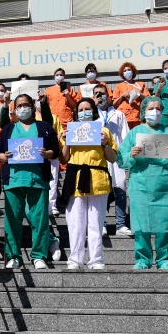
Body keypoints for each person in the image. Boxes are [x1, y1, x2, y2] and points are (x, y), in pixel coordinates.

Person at [117, 97, 168, 269]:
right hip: (140, 184)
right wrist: (131, 155)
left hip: (164, 185)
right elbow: (121, 160)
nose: (154, 112)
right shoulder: (135, 133)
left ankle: (164, 258)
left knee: (164, 224)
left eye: (158, 108)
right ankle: (142, 258)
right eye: (150, 108)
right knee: (141, 224)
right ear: (143, 111)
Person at [0, 94, 60, 269]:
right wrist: (2, 157)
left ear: (32, 106)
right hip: (14, 179)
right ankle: (13, 256)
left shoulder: (44, 127)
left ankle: (39, 255)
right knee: (12, 220)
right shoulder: (8, 129)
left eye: (26, 105)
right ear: (14, 109)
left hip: (37, 179)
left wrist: (48, 154)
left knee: (39, 219)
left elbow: (56, 148)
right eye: (19, 105)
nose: (23, 108)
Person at [58, 98, 118, 270]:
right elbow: (63, 159)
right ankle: (75, 259)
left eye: (88, 108)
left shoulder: (104, 131)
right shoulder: (71, 130)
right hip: (75, 178)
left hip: (97, 178)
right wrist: (66, 142)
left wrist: (105, 143)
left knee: (95, 223)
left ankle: (96, 259)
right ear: (77, 112)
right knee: (75, 222)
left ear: (93, 110)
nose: (84, 112)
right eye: (81, 109)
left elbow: (113, 158)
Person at [94, 83, 131, 237]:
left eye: (102, 93)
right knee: (101, 191)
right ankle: (101, 223)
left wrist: (124, 157)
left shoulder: (118, 114)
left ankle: (120, 224)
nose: (100, 96)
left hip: (116, 156)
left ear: (109, 96)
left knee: (120, 189)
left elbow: (125, 136)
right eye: (96, 94)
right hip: (97, 158)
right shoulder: (90, 115)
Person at [111, 62, 148, 128]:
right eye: (125, 71)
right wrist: (122, 96)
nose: (127, 72)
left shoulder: (141, 84)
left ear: (133, 71)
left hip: (137, 117)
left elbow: (148, 99)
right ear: (122, 74)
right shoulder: (118, 86)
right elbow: (114, 104)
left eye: (129, 70)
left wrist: (139, 93)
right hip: (124, 117)